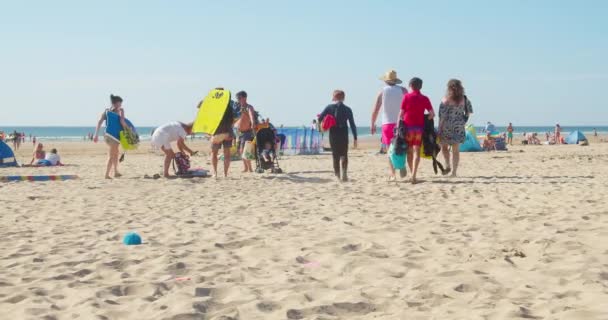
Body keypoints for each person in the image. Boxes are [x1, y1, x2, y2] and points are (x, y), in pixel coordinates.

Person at [371, 70, 408, 180]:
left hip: (387, 123)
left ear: (386, 81)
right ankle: (402, 166)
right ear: (396, 81)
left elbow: (376, 110)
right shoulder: (403, 90)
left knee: (389, 149)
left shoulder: (382, 92)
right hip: (401, 122)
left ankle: (393, 174)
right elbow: (409, 106)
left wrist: (372, 123)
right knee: (402, 145)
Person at [398, 77, 434, 184]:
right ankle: (414, 175)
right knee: (416, 151)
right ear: (420, 87)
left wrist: (398, 125)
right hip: (419, 128)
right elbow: (432, 114)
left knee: (409, 151)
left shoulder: (406, 97)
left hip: (408, 128)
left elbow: (401, 114)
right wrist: (424, 118)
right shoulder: (425, 98)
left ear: (410, 86)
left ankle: (411, 174)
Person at [319, 90, 357, 182]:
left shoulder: (329, 107)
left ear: (334, 98)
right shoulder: (348, 109)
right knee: (344, 154)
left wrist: (322, 128)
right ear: (343, 98)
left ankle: (337, 175)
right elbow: (352, 124)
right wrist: (355, 137)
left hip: (334, 133)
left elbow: (320, 118)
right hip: (343, 132)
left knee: (335, 155)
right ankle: (344, 173)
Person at [438, 79, 473, 177]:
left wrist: (439, 129)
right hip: (458, 127)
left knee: (444, 148)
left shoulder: (445, 99)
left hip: (446, 127)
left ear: (449, 88)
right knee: (455, 150)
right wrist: (463, 121)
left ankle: (447, 165)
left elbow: (442, 116)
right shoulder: (464, 99)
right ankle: (454, 172)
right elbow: (469, 112)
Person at [94, 95, 127, 179]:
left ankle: (116, 172)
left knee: (116, 154)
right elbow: (122, 122)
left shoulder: (106, 111)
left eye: (120, 104)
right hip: (113, 136)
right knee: (112, 155)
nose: (120, 106)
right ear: (115, 103)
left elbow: (99, 122)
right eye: (119, 104)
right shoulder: (118, 112)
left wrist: (96, 134)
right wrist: (128, 130)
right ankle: (107, 175)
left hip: (108, 135)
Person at [206, 88, 235, 178]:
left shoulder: (213, 106)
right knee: (226, 154)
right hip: (227, 131)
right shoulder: (230, 105)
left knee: (214, 153)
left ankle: (216, 173)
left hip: (217, 131)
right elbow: (234, 119)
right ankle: (224, 174)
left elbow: (208, 118)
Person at [233, 91, 257, 173]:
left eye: (239, 98)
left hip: (246, 132)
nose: (238, 100)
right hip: (238, 132)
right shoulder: (237, 108)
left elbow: (251, 115)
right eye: (237, 98)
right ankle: (246, 168)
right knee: (240, 151)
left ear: (244, 98)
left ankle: (250, 168)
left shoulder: (248, 107)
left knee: (245, 151)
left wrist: (253, 122)